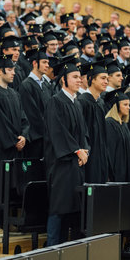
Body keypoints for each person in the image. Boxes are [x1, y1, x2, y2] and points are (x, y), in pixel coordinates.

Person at [44, 55, 89, 246]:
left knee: (72, 209)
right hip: (61, 164)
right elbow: (58, 132)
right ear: (63, 79)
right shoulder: (56, 101)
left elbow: (83, 133)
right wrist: (76, 151)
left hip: (75, 164)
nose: (79, 80)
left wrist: (85, 150)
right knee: (59, 208)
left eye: (80, 77)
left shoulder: (76, 102)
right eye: (74, 77)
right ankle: (52, 247)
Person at [0, 54, 30, 236]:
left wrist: (24, 137)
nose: (13, 73)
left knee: (9, 186)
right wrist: (13, 140)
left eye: (13, 69)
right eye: (9, 70)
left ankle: (5, 221)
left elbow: (24, 120)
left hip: (14, 147)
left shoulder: (14, 93)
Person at [78, 60, 109, 183]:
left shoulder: (100, 102)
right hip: (88, 156)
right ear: (92, 79)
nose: (106, 82)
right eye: (102, 78)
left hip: (101, 156)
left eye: (107, 78)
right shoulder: (82, 101)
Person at [18, 48, 52, 158]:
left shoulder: (46, 85)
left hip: (46, 136)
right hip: (35, 138)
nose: (47, 65)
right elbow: (32, 114)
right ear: (34, 63)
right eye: (44, 62)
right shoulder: (26, 85)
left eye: (48, 62)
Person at [104, 88, 130, 181]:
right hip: (117, 173)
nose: (129, 107)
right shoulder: (109, 123)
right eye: (125, 104)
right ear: (116, 106)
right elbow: (110, 151)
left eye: (129, 104)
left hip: (127, 171)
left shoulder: (123, 124)